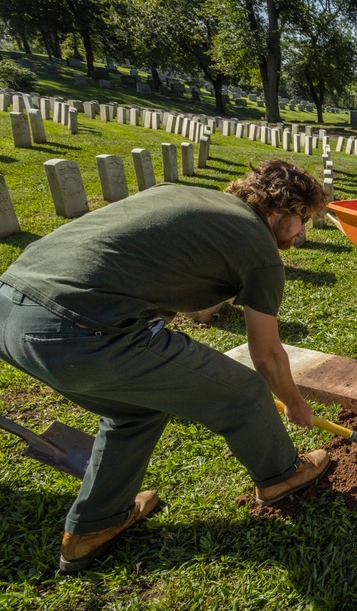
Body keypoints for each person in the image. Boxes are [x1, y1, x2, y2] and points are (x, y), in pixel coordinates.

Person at [0, 160, 333, 571]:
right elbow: (266, 356)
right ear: (280, 211)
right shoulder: (259, 248)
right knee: (243, 392)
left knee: (135, 411)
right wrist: (296, 404)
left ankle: (92, 526)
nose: (301, 232)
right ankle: (282, 474)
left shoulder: (185, 195)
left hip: (12, 316)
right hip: (81, 329)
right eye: (302, 219)